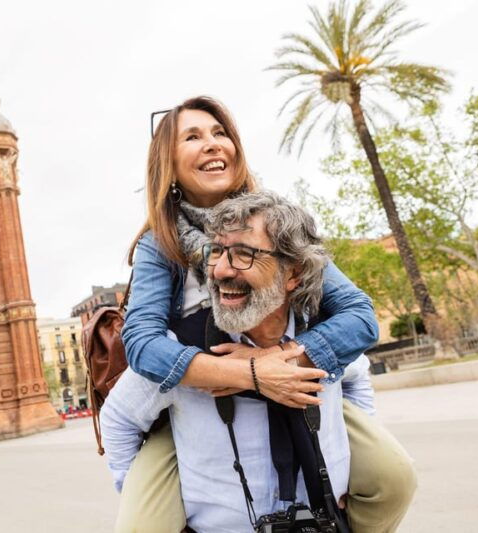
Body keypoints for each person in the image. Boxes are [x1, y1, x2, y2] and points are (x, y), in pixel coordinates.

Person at [117, 97, 415, 532]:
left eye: (221, 134)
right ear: (168, 163)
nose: (213, 144)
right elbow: (142, 344)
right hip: (197, 400)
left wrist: (286, 361)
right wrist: (247, 373)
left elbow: (358, 315)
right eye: (193, 137)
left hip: (299, 382)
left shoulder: (277, 223)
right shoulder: (159, 246)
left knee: (393, 477)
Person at [103, 192, 373, 531]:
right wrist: (147, 501)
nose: (220, 270)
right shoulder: (180, 348)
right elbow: (118, 419)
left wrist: (354, 473)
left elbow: (358, 378)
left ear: (294, 274)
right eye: (216, 251)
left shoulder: (327, 337)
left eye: (244, 254)